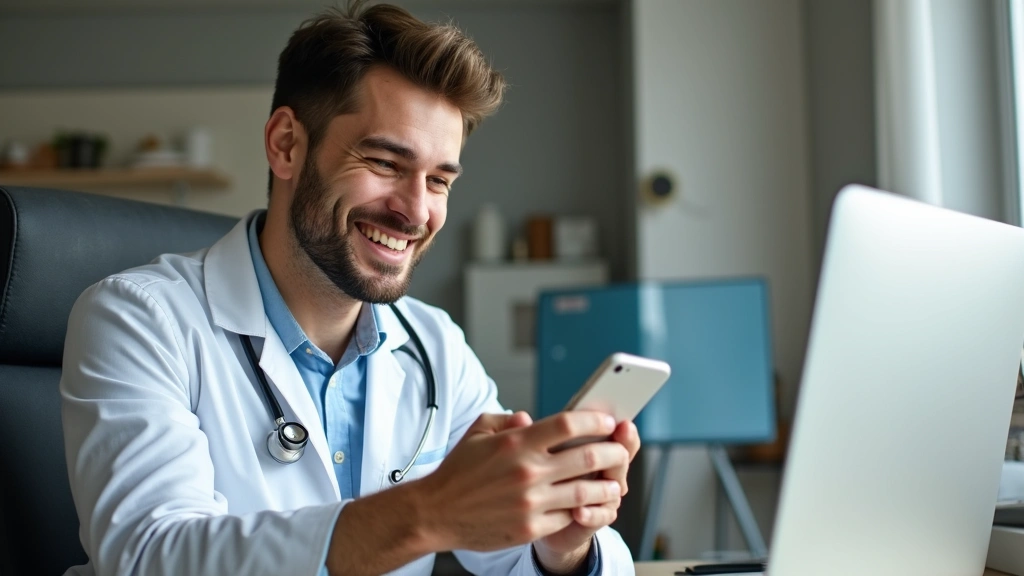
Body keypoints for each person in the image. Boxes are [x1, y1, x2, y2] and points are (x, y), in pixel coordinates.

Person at [59, 2, 639, 575]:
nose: (417, 211)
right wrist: (429, 513)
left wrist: (561, 545)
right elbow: (148, 556)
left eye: (439, 180)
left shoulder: (434, 344)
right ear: (287, 145)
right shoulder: (137, 319)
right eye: (385, 162)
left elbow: (510, 553)